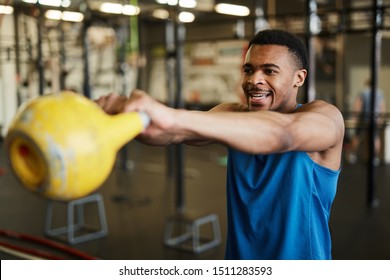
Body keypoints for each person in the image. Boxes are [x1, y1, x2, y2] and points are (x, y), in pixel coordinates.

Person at [96, 29, 345, 260]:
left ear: (298, 78)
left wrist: (169, 116)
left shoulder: (324, 118)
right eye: (248, 70)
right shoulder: (233, 114)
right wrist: (126, 117)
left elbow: (285, 134)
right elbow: (169, 133)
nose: (254, 80)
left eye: (269, 71)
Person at [348, 80, 385, 165]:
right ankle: (375, 157)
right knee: (375, 137)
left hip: (364, 119)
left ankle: (352, 155)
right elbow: (382, 107)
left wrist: (354, 117)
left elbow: (358, 106)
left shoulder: (363, 92)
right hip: (375, 119)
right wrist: (381, 118)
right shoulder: (380, 93)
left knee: (357, 136)